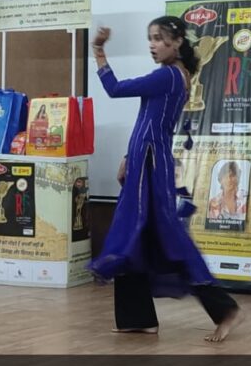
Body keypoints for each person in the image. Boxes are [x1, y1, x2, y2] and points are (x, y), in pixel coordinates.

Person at [90, 18, 240, 342]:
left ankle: (223, 308)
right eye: (150, 38)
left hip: (151, 163)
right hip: (144, 159)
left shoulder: (168, 76)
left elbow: (115, 89)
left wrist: (99, 51)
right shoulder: (173, 76)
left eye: (159, 38)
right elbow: (149, 120)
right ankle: (137, 318)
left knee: (160, 236)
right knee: (136, 236)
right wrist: (128, 157)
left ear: (177, 42)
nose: (152, 45)